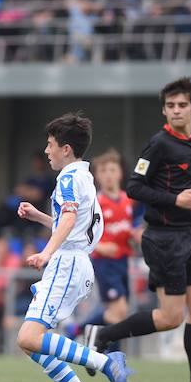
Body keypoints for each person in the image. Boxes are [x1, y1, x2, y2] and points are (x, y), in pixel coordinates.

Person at [86, 77, 191, 382]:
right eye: (171, 106)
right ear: (164, 111)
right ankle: (103, 334)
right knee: (171, 318)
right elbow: (134, 187)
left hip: (187, 237)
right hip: (164, 239)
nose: (177, 110)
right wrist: (174, 200)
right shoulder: (158, 144)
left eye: (182, 105)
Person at [14, 114, 129, 382]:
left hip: (66, 263)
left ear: (65, 149)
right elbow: (76, 223)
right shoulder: (85, 177)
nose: (46, 150)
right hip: (78, 262)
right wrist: (39, 216)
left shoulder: (67, 178)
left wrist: (46, 252)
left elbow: (68, 219)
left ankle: (107, 362)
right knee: (29, 342)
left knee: (28, 337)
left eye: (50, 144)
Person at [79, 149, 137, 363]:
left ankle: (89, 335)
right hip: (104, 263)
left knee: (118, 313)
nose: (109, 174)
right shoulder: (96, 202)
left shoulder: (127, 200)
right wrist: (102, 247)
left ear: (120, 173)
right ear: (97, 176)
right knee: (118, 310)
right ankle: (108, 353)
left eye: (112, 169)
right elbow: (82, 234)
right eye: (103, 171)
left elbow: (125, 230)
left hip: (122, 261)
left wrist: (135, 235)